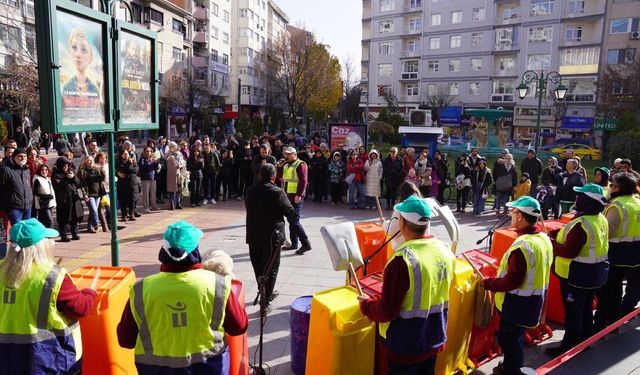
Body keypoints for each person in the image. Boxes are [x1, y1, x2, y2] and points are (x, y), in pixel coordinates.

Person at [117, 221, 248, 374]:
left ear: (164, 252)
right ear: (195, 251)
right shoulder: (217, 284)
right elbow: (239, 327)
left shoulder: (140, 289)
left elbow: (125, 340)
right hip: (208, 367)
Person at [359, 195, 455, 374]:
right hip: (434, 336)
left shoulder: (402, 261)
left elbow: (387, 310)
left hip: (405, 344)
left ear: (402, 223)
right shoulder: (444, 249)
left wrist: (366, 305)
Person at [0, 219, 98, 374]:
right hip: (49, 357)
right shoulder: (52, 276)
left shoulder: (1, 270)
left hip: (7, 358)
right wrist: (90, 293)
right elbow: (81, 308)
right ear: (39, 247)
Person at [482, 196, 553, 375]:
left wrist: (489, 283)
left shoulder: (523, 245)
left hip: (517, 304)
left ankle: (512, 370)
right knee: (515, 338)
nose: (510, 215)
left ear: (520, 216)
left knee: (510, 341)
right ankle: (510, 366)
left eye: (513, 212)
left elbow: (513, 280)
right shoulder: (543, 238)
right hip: (533, 301)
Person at [545, 184, 609, 356]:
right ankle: (584, 341)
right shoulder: (599, 218)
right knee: (586, 308)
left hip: (577, 277)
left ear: (587, 201)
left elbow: (569, 251)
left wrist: (550, 242)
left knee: (573, 313)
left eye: (580, 196)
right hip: (594, 274)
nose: (576, 198)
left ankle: (568, 347)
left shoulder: (582, 224)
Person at [245, 164, 296, 311]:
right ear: (274, 177)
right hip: (272, 237)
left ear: (259, 176)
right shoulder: (278, 192)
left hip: (254, 235)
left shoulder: (250, 191)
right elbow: (290, 212)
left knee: (259, 267)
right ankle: (265, 301)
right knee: (271, 268)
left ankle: (265, 291)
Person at [594, 172, 640, 332]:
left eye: (613, 185)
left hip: (616, 253)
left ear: (619, 188)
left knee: (607, 292)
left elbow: (607, 232)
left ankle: (601, 324)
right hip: (634, 254)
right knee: (618, 287)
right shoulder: (637, 202)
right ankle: (613, 322)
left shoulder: (617, 205)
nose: (610, 188)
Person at [277, 147, 312, 255]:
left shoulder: (300, 164)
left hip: (296, 197)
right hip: (287, 196)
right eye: (285, 154)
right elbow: (281, 177)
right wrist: (279, 167)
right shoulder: (286, 164)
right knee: (290, 220)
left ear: (294, 154)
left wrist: (299, 194)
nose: (286, 156)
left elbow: (303, 181)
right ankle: (294, 243)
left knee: (294, 221)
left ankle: (306, 244)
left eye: (288, 154)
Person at [52, 157, 84, 241]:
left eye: (67, 165)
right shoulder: (56, 174)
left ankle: (74, 233)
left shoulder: (70, 172)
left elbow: (78, 184)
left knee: (74, 217)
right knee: (63, 218)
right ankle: (63, 235)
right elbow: (57, 186)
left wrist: (73, 177)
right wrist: (66, 178)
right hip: (63, 200)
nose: (66, 167)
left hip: (74, 199)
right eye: (64, 165)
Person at [0, 148, 33, 224]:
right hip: (13, 207)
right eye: (20, 156)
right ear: (14, 157)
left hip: (27, 206)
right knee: (17, 230)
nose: (23, 158)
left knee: (26, 230)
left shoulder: (26, 170)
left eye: (25, 156)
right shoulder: (6, 170)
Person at [78, 156, 105, 233]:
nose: (90, 162)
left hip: (97, 193)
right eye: (88, 161)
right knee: (94, 210)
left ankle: (90, 227)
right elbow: (81, 185)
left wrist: (102, 170)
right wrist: (84, 194)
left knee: (93, 211)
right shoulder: (83, 171)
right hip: (89, 194)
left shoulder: (97, 169)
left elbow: (102, 178)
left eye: (91, 160)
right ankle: (96, 224)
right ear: (85, 162)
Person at [116, 150, 140, 221]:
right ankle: (124, 215)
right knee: (123, 200)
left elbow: (136, 170)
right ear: (121, 155)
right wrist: (128, 166)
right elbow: (123, 170)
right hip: (123, 184)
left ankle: (131, 214)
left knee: (132, 200)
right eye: (124, 154)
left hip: (132, 184)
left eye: (127, 154)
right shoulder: (119, 162)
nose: (126, 155)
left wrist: (130, 165)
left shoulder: (132, 161)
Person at [33, 164, 56, 229]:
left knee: (43, 221)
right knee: (50, 221)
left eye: (46, 169)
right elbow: (36, 192)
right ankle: (51, 235)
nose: (44, 171)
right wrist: (47, 196)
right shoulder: (37, 179)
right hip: (43, 204)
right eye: (42, 170)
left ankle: (45, 235)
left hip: (50, 203)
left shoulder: (47, 179)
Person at [166, 142, 186, 210]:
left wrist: (180, 165)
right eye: (172, 146)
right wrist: (169, 151)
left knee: (179, 189)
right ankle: (172, 204)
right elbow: (165, 158)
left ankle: (178, 203)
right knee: (172, 190)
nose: (174, 147)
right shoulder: (169, 154)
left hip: (179, 173)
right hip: (172, 174)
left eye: (175, 146)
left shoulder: (179, 153)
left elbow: (183, 161)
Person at [138, 147, 159, 213]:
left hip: (153, 177)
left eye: (150, 151)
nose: (149, 152)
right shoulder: (142, 159)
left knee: (153, 193)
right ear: (144, 152)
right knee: (145, 194)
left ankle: (154, 205)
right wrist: (149, 162)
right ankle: (146, 207)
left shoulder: (152, 159)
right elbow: (142, 167)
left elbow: (156, 168)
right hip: (145, 178)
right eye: (147, 151)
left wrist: (156, 163)